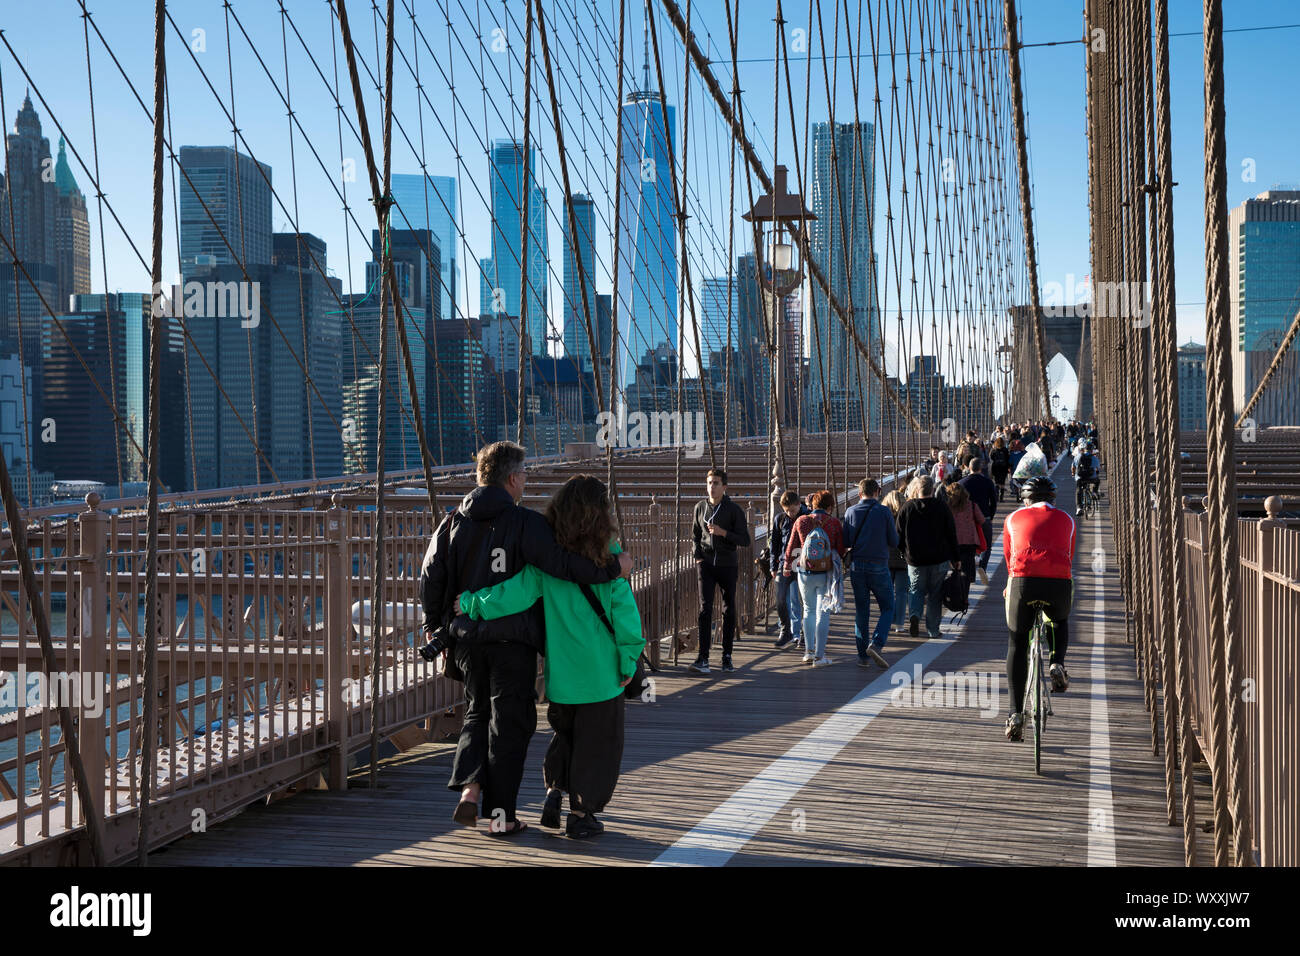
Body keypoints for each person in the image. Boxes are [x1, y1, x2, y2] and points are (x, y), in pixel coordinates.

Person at [419, 440, 633, 835]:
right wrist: (612, 569)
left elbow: (431, 576)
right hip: (516, 645)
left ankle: (471, 789)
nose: (526, 483)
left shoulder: (450, 521)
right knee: (512, 726)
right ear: (514, 478)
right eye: (525, 477)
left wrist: (438, 623)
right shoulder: (526, 524)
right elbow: (563, 567)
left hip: (466, 640)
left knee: (476, 713)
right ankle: (506, 818)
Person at [1001, 476, 1077, 742]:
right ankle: (1057, 662)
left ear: (1025, 498)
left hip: (1023, 583)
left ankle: (1015, 714)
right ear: (1053, 498)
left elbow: (1009, 558)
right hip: (1058, 584)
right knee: (1059, 619)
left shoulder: (1012, 518)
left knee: (1017, 642)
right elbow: (1069, 553)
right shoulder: (1067, 519)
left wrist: (1010, 588)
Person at [690, 468, 751, 675]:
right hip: (706, 564)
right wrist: (697, 556)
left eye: (716, 483)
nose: (712, 487)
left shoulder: (733, 510)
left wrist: (723, 532)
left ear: (724, 487)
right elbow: (695, 536)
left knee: (728, 610)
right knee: (705, 610)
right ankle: (703, 657)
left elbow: (745, 540)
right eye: (709, 483)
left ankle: (727, 656)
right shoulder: (700, 508)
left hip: (727, 563)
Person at [783, 489, 847, 667]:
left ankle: (808, 652)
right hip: (826, 573)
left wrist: (787, 566)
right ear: (829, 506)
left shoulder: (801, 520)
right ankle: (819, 656)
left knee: (809, 611)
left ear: (812, 505)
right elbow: (841, 549)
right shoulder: (833, 522)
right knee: (822, 612)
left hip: (805, 572)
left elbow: (791, 546)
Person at [842, 478, 897, 668]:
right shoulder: (884, 511)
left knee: (862, 611)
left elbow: (846, 541)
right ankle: (877, 643)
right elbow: (894, 540)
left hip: (857, 567)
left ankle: (862, 658)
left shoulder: (850, 512)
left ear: (859, 494)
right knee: (888, 606)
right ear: (878, 491)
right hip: (879, 566)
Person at [895, 475, 959, 639]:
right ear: (932, 489)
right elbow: (951, 533)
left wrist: (905, 552)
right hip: (939, 559)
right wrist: (955, 557)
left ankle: (915, 616)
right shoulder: (941, 507)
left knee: (915, 591)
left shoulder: (907, 508)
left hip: (915, 560)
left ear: (917, 489)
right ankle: (932, 630)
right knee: (935, 594)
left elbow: (898, 536)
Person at [769, 490, 810, 650]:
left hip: (802, 563)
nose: (789, 514)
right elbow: (775, 544)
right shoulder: (780, 519)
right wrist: (773, 566)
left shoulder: (807, 517)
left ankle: (800, 633)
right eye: (786, 510)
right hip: (784, 563)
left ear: (799, 505)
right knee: (780, 598)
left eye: (792, 510)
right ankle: (786, 630)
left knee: (798, 601)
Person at [960, 457, 999, 584]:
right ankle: (982, 566)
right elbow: (994, 501)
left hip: (967, 520)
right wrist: (991, 515)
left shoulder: (962, 483)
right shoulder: (988, 482)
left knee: (969, 546)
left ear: (968, 467)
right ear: (980, 468)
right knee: (986, 546)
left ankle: (970, 570)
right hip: (984, 517)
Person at [881, 489, 910, 635]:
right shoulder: (906, 515)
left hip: (885, 559)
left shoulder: (883, 517)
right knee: (902, 592)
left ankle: (887, 620)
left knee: (888, 592)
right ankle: (899, 624)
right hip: (903, 558)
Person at [946, 481, 985, 585]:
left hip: (953, 542)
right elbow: (981, 520)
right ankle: (965, 593)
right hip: (970, 541)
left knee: (955, 568)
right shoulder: (971, 505)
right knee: (968, 568)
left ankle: (956, 590)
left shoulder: (947, 507)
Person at [1072, 442, 1102, 516]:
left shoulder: (1078, 456)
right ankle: (1094, 491)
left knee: (1079, 490)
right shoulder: (1094, 458)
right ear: (1091, 450)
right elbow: (1098, 468)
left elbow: (1073, 467)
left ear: (1083, 449)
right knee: (1097, 481)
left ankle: (1079, 508)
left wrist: (1073, 474)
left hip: (1080, 477)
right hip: (1091, 477)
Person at [990, 436, 1011, 502]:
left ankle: (996, 496)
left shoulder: (994, 450)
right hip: (1003, 468)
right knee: (1002, 483)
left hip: (996, 467)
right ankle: (1001, 498)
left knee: (996, 482)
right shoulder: (1005, 450)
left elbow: (991, 457)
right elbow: (1008, 459)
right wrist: (1008, 467)